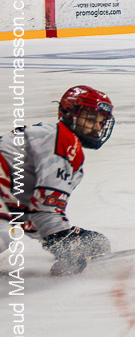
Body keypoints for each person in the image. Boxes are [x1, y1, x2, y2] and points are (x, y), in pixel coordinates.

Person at [1, 86, 114, 276]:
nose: (97, 127)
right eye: (90, 119)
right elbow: (44, 212)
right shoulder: (62, 141)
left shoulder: (53, 137)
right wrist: (63, 242)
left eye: (101, 122)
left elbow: (31, 213)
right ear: (68, 113)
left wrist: (60, 240)